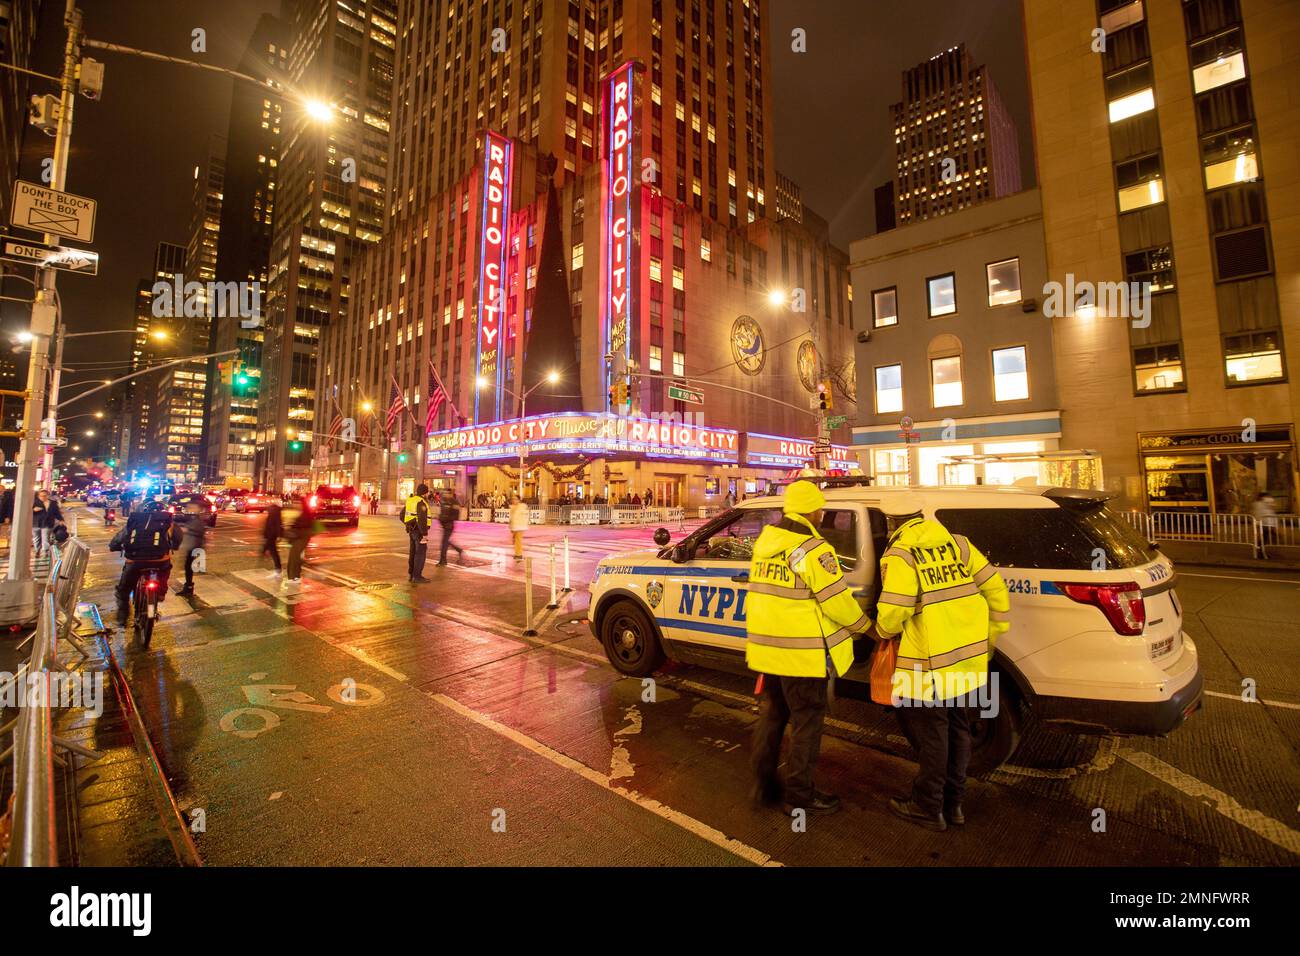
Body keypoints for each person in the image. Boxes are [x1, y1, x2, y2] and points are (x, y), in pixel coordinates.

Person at [875, 496, 1010, 832]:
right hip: (968, 658)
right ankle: (954, 804)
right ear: (921, 515)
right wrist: (992, 635)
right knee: (958, 729)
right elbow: (995, 588)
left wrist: (881, 632)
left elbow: (894, 610)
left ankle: (927, 805)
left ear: (892, 523)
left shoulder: (901, 554)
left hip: (926, 663)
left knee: (933, 736)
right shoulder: (959, 544)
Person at [745, 479, 871, 816]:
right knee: (807, 724)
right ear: (812, 510)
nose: (821, 513)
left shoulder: (766, 541)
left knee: (773, 717)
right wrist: (865, 628)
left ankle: (764, 785)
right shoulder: (815, 550)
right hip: (801, 655)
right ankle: (799, 795)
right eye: (819, 508)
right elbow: (836, 601)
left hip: (767, 651)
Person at [109, 500, 180, 627]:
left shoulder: (137, 521)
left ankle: (123, 616)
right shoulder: (168, 521)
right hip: (160, 560)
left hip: (135, 561)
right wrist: (173, 546)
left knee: (123, 590)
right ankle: (160, 593)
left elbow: (120, 537)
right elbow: (177, 538)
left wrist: (114, 546)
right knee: (166, 568)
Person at [174, 500, 206, 596]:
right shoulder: (192, 518)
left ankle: (188, 587)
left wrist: (186, 530)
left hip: (194, 546)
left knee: (189, 567)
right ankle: (188, 586)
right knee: (188, 567)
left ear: (198, 508)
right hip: (192, 546)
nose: (189, 508)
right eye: (188, 507)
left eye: (192, 507)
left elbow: (199, 531)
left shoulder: (198, 519)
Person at [404, 483, 432, 582]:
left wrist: (409, 524)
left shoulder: (410, 500)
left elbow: (401, 515)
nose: (428, 494)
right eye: (427, 492)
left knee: (413, 552)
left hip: (411, 531)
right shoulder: (421, 502)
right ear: (424, 493)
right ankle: (417, 576)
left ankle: (412, 574)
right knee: (420, 553)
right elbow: (422, 519)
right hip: (419, 532)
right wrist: (424, 534)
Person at [283, 502, 316, 586]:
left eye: (299, 503)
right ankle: (296, 576)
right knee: (296, 557)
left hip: (300, 538)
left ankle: (292, 577)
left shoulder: (305, 515)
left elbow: (303, 528)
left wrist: (292, 529)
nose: (296, 505)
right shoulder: (304, 514)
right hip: (301, 538)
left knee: (293, 557)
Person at [436, 490, 464, 566]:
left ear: (450, 494)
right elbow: (442, 512)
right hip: (444, 525)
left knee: (444, 543)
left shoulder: (454, 502)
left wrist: (447, 519)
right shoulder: (443, 501)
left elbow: (456, 516)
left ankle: (443, 561)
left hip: (449, 525)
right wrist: (440, 518)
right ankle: (459, 550)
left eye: (447, 493)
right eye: (444, 493)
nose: (445, 495)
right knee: (446, 542)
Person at [261, 498, 283, 575]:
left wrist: (265, 533)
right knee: (273, 551)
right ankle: (278, 568)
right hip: (272, 534)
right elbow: (278, 524)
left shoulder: (273, 511)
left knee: (273, 551)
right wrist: (279, 535)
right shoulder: (277, 512)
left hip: (270, 534)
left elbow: (270, 524)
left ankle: (278, 568)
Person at [508, 492, 529, 560]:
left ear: (519, 500)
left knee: (518, 541)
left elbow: (526, 516)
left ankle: (518, 554)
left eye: (515, 499)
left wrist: (524, 523)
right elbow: (511, 518)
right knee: (514, 541)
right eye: (513, 499)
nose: (514, 500)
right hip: (514, 527)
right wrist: (510, 526)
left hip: (520, 526)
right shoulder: (512, 507)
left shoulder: (522, 506)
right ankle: (517, 553)